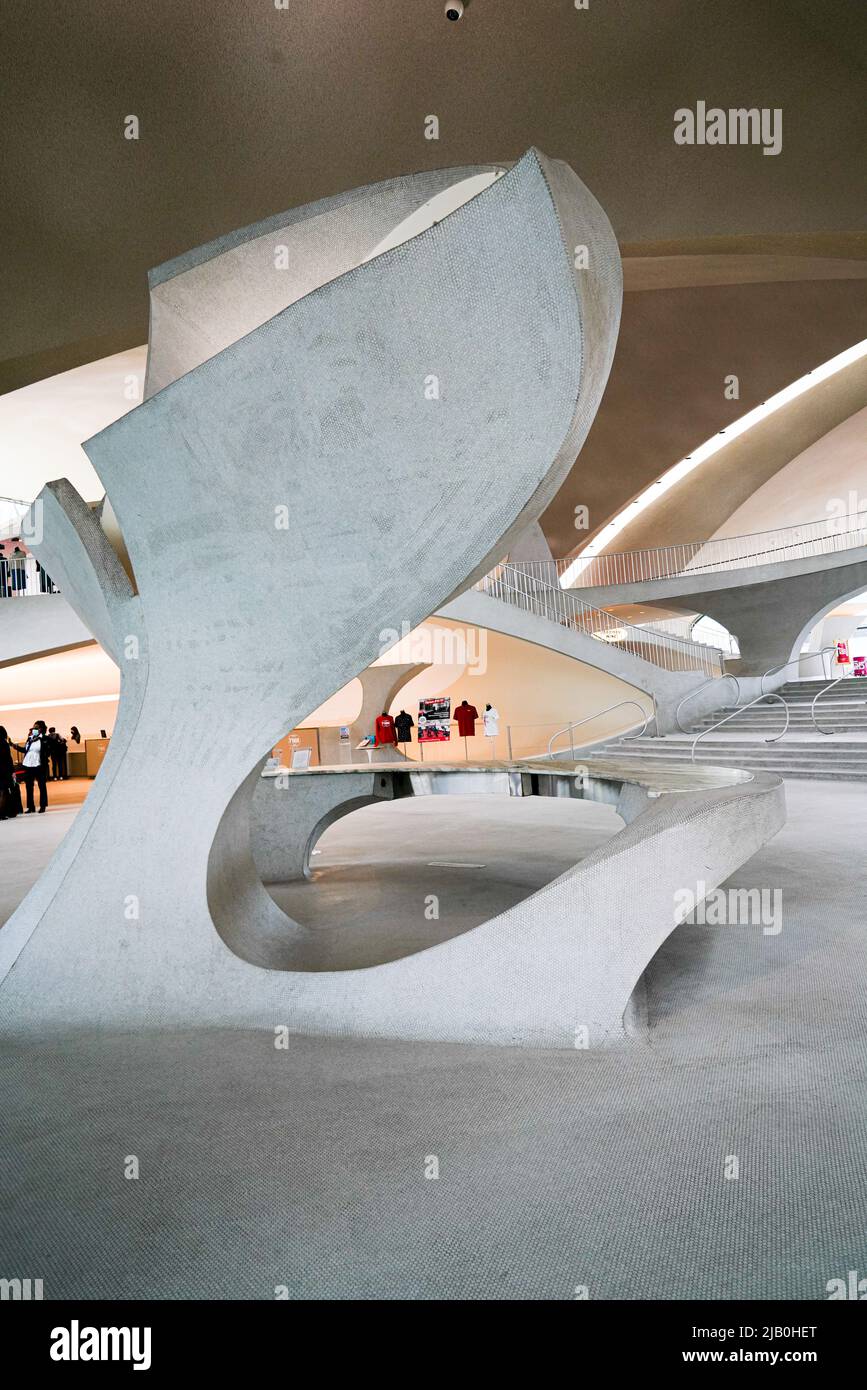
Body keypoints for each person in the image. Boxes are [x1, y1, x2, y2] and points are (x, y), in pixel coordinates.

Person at [13, 720, 51, 813]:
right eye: (34, 727)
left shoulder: (45, 739)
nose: (34, 729)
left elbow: (49, 750)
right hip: (28, 765)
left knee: (42, 786)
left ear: (41, 729)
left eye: (36, 727)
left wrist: (45, 757)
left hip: (39, 765)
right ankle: (31, 807)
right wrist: (16, 747)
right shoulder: (30, 738)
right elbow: (26, 750)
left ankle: (43, 806)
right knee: (29, 786)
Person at [0, 727, 19, 820]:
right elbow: (8, 759)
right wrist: (12, 771)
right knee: (4, 792)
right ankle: (2, 814)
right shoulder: (4, 743)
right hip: (4, 771)